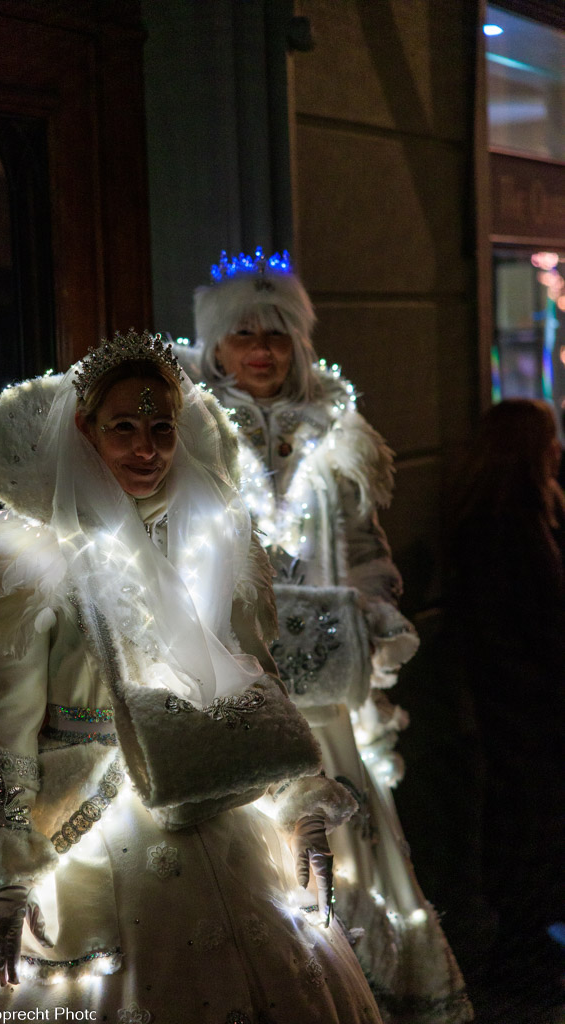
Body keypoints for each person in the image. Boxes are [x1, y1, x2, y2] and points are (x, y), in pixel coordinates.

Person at [0, 329, 385, 1024]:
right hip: (89, 818)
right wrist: (6, 869)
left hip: (213, 793)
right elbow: (5, 717)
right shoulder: (29, 552)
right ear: (85, 430)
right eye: (124, 428)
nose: (146, 449)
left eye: (161, 428)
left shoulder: (209, 534)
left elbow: (251, 676)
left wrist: (296, 801)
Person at [178, 249, 473, 1024]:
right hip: (231, 671)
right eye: (243, 335)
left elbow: (365, 545)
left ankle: (358, 980)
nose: (260, 351)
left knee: (345, 825)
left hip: (322, 673)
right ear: (215, 344)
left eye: (274, 336)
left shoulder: (338, 434)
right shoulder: (188, 431)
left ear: (298, 343)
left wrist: (373, 609)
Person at [447, 398, 565, 1020]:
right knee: (531, 827)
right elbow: (528, 625)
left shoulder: (514, 515)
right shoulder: (505, 525)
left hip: (521, 707)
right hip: (525, 712)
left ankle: (530, 948)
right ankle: (525, 958)